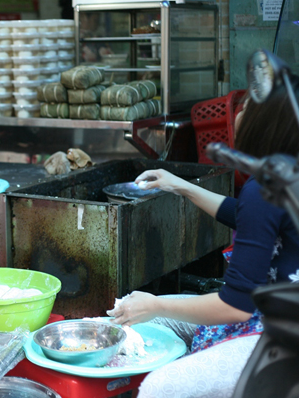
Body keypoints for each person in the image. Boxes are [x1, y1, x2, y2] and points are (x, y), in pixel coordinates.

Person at [107, 76, 299, 398]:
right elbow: (248, 217)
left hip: (277, 335)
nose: (238, 114)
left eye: (247, 107)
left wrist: (154, 304)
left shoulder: (263, 189)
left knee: (158, 387)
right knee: (130, 318)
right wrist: (179, 185)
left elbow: (235, 307)